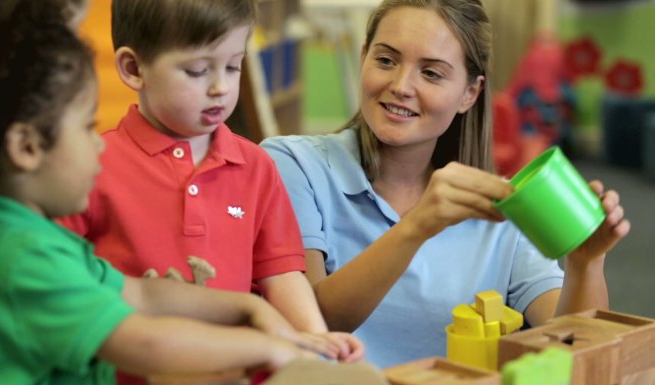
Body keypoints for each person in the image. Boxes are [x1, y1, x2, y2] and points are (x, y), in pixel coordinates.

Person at [0, 1, 342, 383]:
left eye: (234, 66)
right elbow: (143, 342)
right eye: (86, 128)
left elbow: (142, 295)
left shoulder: (35, 242)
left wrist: (256, 312)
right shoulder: (22, 255)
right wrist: (270, 348)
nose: (220, 86)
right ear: (27, 147)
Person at [261, 0, 630, 368]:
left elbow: (577, 354)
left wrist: (585, 263)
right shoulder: (292, 165)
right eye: (386, 60)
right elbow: (307, 327)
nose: (401, 86)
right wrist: (417, 226)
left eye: (432, 73)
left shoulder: (504, 212)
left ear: (469, 93)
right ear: (363, 59)